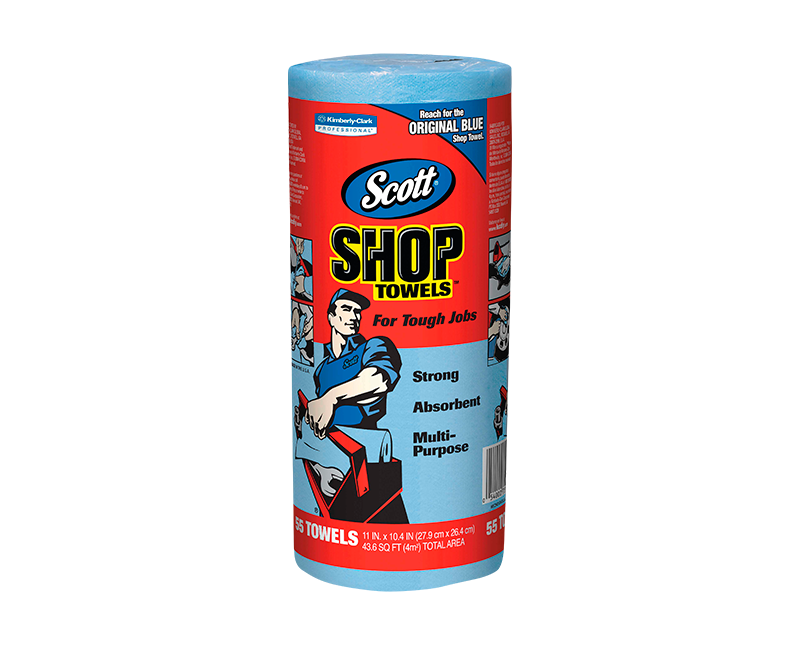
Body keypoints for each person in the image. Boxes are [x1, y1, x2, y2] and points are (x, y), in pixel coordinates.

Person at [305, 289, 401, 438]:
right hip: (326, 443)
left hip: (365, 440)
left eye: (357, 311)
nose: (354, 317)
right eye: (346, 309)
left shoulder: (373, 346)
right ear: (331, 317)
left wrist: (331, 397)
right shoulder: (321, 369)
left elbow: (379, 380)